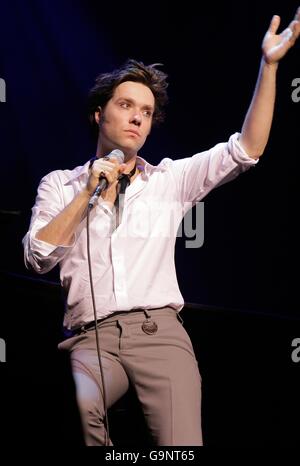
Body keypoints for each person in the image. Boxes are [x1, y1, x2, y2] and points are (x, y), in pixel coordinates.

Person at [23, 9, 299, 446]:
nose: (137, 118)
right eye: (126, 105)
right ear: (100, 115)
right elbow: (38, 257)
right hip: (90, 339)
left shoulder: (169, 180)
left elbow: (247, 149)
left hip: (159, 335)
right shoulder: (61, 184)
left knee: (181, 446)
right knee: (80, 404)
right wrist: (87, 193)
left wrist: (269, 65)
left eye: (147, 112)